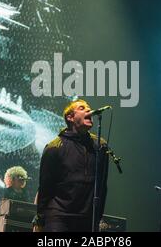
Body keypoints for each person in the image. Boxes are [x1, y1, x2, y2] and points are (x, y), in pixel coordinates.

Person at [33, 99, 109, 232]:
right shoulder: (54, 147)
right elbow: (45, 186)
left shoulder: (100, 146)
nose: (88, 109)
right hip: (58, 218)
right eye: (81, 108)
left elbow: (102, 186)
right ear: (70, 117)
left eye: (88, 107)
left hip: (87, 220)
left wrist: (98, 217)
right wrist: (40, 219)